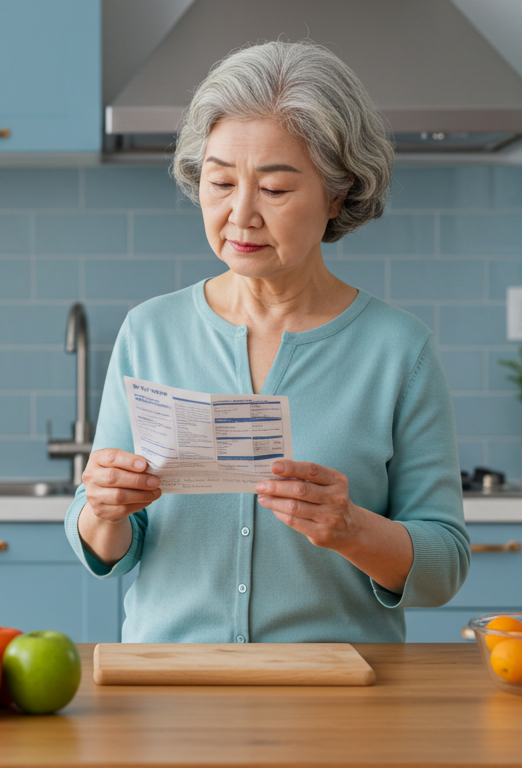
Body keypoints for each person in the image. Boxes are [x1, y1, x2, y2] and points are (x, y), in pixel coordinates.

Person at [65, 40, 469, 643]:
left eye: (275, 190)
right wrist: (102, 508)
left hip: (334, 702)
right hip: (170, 701)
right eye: (220, 181)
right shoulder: (149, 333)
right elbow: (105, 546)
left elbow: (445, 567)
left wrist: (351, 527)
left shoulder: (398, 352)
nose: (241, 214)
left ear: (339, 192)